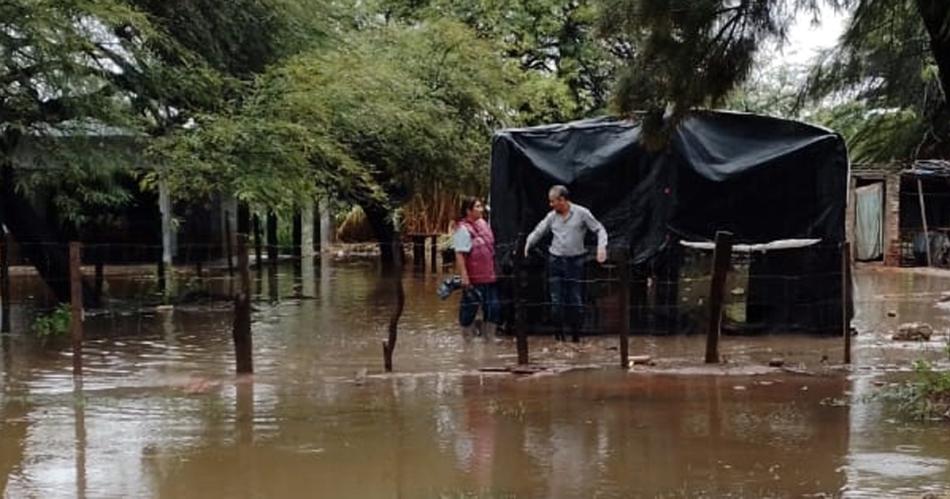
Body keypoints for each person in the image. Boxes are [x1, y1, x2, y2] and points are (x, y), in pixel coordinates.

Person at [524, 185, 607, 342]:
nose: (551, 205)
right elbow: (539, 231)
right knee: (556, 302)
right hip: (555, 260)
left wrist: (601, 247)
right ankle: (559, 338)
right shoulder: (551, 217)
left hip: (576, 261)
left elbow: (599, 229)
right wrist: (527, 245)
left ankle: (576, 337)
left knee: (575, 301)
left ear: (562, 200)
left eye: (553, 201)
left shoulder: (582, 213)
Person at [452, 197, 500, 339]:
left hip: (489, 276)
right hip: (474, 279)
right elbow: (460, 254)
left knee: (494, 308)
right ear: (468, 211)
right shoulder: (462, 229)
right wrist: (464, 277)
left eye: (481, 206)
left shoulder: (484, 224)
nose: (481, 209)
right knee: (469, 310)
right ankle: (467, 341)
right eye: (478, 206)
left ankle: (489, 339)